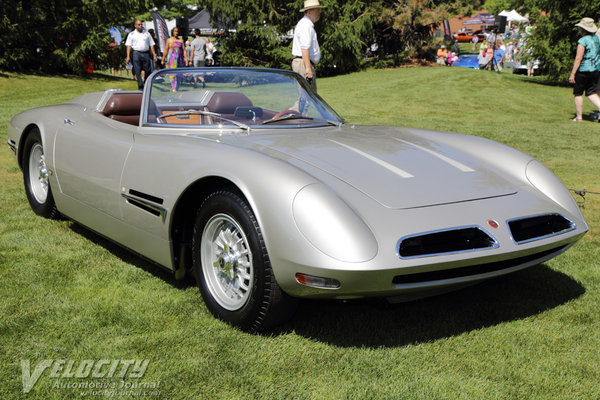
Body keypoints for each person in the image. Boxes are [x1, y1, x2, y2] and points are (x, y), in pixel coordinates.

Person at [568, 18, 600, 122]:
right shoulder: (596, 39)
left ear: (583, 30)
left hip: (583, 70)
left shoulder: (582, 41)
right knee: (591, 92)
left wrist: (572, 74)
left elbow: (578, 58)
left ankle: (579, 117)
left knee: (578, 93)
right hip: (595, 70)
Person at [291, 0, 324, 92]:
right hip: (303, 64)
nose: (320, 12)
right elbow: (304, 48)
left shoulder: (306, 24)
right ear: (309, 12)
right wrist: (308, 69)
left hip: (303, 63)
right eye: (317, 10)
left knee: (307, 99)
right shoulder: (306, 26)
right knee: (306, 99)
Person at [125, 20, 158, 90]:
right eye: (139, 24)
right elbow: (128, 46)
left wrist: (154, 55)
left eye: (141, 24)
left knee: (148, 70)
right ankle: (140, 86)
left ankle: (146, 83)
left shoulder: (147, 34)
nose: (140, 26)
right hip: (136, 53)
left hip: (146, 53)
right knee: (137, 70)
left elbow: (151, 45)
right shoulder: (131, 34)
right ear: (135, 25)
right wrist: (128, 56)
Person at [161, 27, 187, 92]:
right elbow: (166, 50)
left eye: (177, 31)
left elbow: (184, 50)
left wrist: (186, 59)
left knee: (179, 73)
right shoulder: (169, 40)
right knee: (172, 73)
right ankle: (173, 87)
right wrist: (163, 59)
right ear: (172, 32)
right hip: (172, 59)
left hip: (179, 59)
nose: (176, 33)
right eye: (175, 31)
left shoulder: (181, 40)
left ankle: (177, 86)